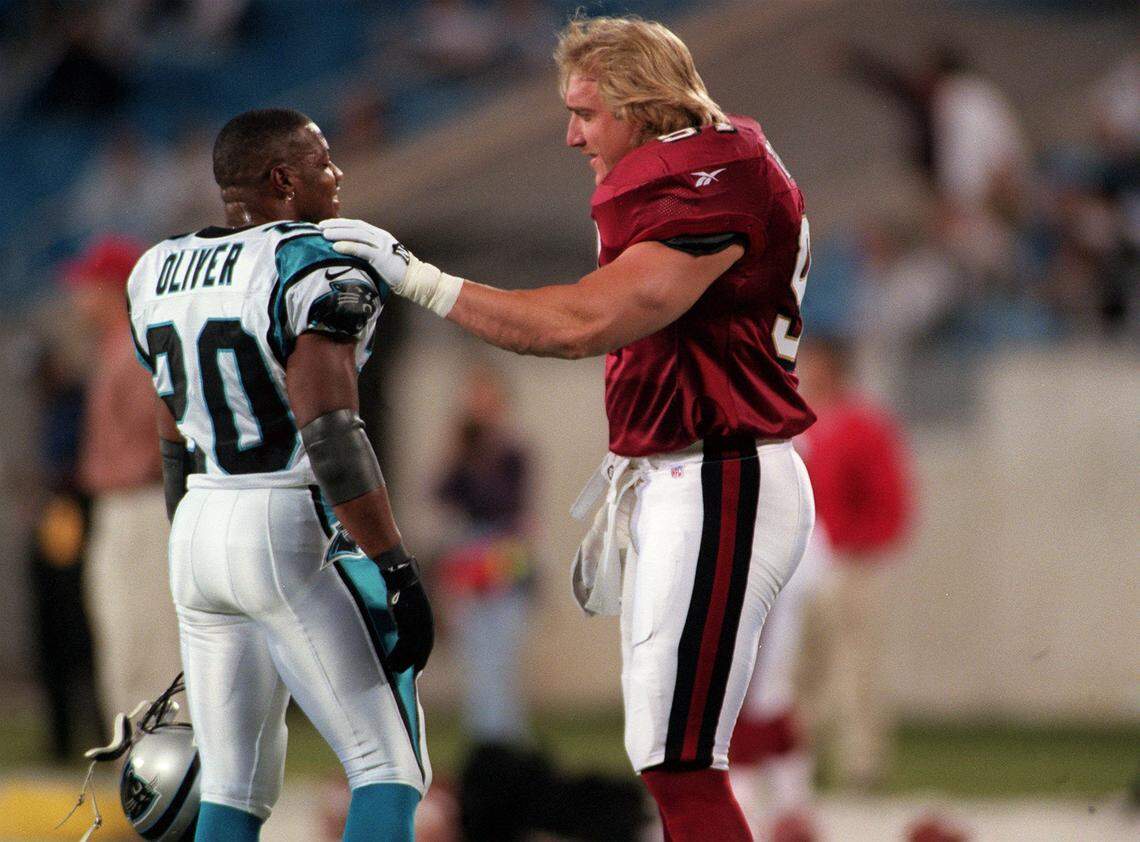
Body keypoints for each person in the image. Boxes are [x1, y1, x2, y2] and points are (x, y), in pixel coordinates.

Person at [321, 16, 816, 840]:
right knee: (664, 751)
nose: (570, 133)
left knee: (680, 759)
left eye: (587, 112)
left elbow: (585, 322)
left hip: (724, 472)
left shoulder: (709, 178)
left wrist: (418, 280)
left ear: (643, 106)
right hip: (692, 471)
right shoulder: (703, 166)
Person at [124, 108, 434, 842]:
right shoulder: (308, 262)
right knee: (388, 765)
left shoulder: (154, 268)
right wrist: (395, 563)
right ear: (282, 179)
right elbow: (331, 434)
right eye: (323, 161)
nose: (339, 175)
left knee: (232, 788)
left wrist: (192, 546)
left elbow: (172, 435)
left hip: (199, 520)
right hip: (282, 517)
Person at [68, 236, 187, 725]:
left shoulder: (138, 349)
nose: (78, 298)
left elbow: (161, 440)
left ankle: (167, 774)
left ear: (112, 287)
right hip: (122, 508)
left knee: (149, 645)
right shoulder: (115, 348)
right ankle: (143, 773)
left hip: (140, 507)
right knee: (124, 646)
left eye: (87, 286)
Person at [794, 337, 913, 790]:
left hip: (850, 564)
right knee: (796, 668)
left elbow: (890, 499)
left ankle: (863, 764)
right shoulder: (792, 421)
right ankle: (795, 761)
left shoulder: (864, 425)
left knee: (856, 666)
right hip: (799, 565)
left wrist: (860, 547)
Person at [434, 364, 536, 745]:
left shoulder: (512, 451)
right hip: (470, 548)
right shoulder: (463, 451)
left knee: (503, 651)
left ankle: (508, 739)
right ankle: (486, 738)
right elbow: (442, 495)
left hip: (502, 548)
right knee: (476, 652)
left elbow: (505, 501)